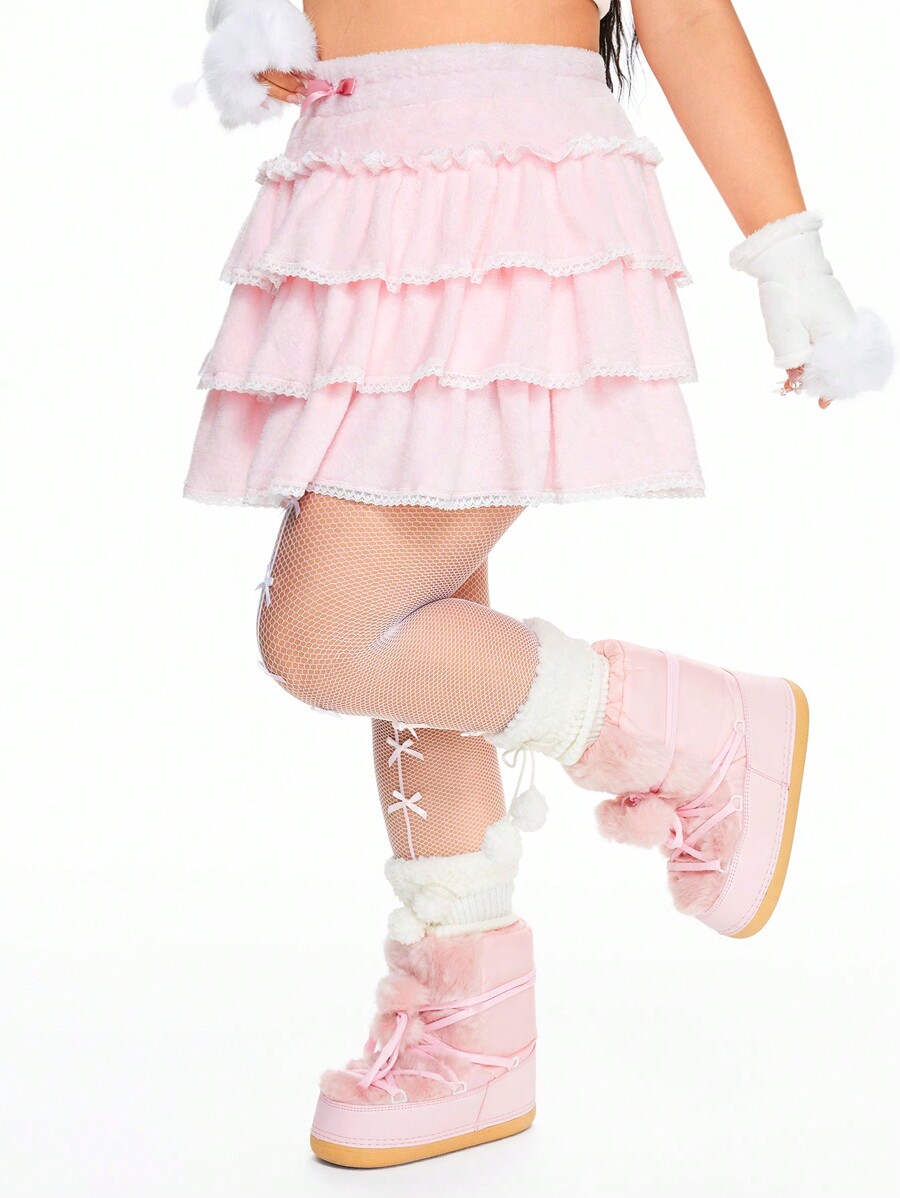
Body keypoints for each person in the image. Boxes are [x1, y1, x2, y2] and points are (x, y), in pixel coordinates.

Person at [182, 0, 893, 1168]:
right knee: (419, 624)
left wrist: (790, 256)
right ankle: (470, 1031)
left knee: (324, 633)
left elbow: (682, 14)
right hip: (355, 174)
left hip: (506, 174)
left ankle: (690, 731)